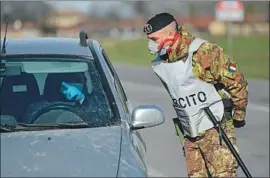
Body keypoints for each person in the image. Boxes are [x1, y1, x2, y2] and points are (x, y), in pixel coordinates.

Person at [143, 12, 248, 177]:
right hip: (190, 131)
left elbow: (236, 82)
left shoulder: (204, 52)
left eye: (154, 39)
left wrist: (239, 115)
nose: (150, 44)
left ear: (170, 34)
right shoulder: (166, 59)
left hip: (215, 126)